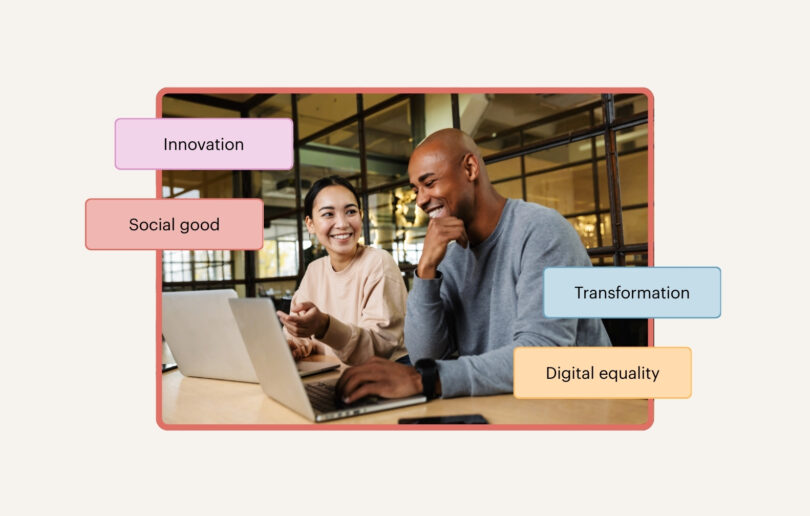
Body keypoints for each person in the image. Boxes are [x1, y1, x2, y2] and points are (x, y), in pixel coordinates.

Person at [337, 128, 611, 403]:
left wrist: (425, 379)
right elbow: (426, 356)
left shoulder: (542, 231)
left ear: (470, 168)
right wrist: (426, 270)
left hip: (582, 406)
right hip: (503, 405)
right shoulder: (451, 257)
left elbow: (544, 355)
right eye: (416, 190)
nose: (420, 200)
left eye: (429, 183)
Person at [276, 176, 408, 365]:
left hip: (380, 374)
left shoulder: (378, 262)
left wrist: (325, 325)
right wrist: (294, 345)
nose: (342, 223)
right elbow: (299, 334)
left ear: (361, 215)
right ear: (310, 224)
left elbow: (378, 348)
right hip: (331, 371)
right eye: (328, 214)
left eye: (351, 212)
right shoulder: (314, 270)